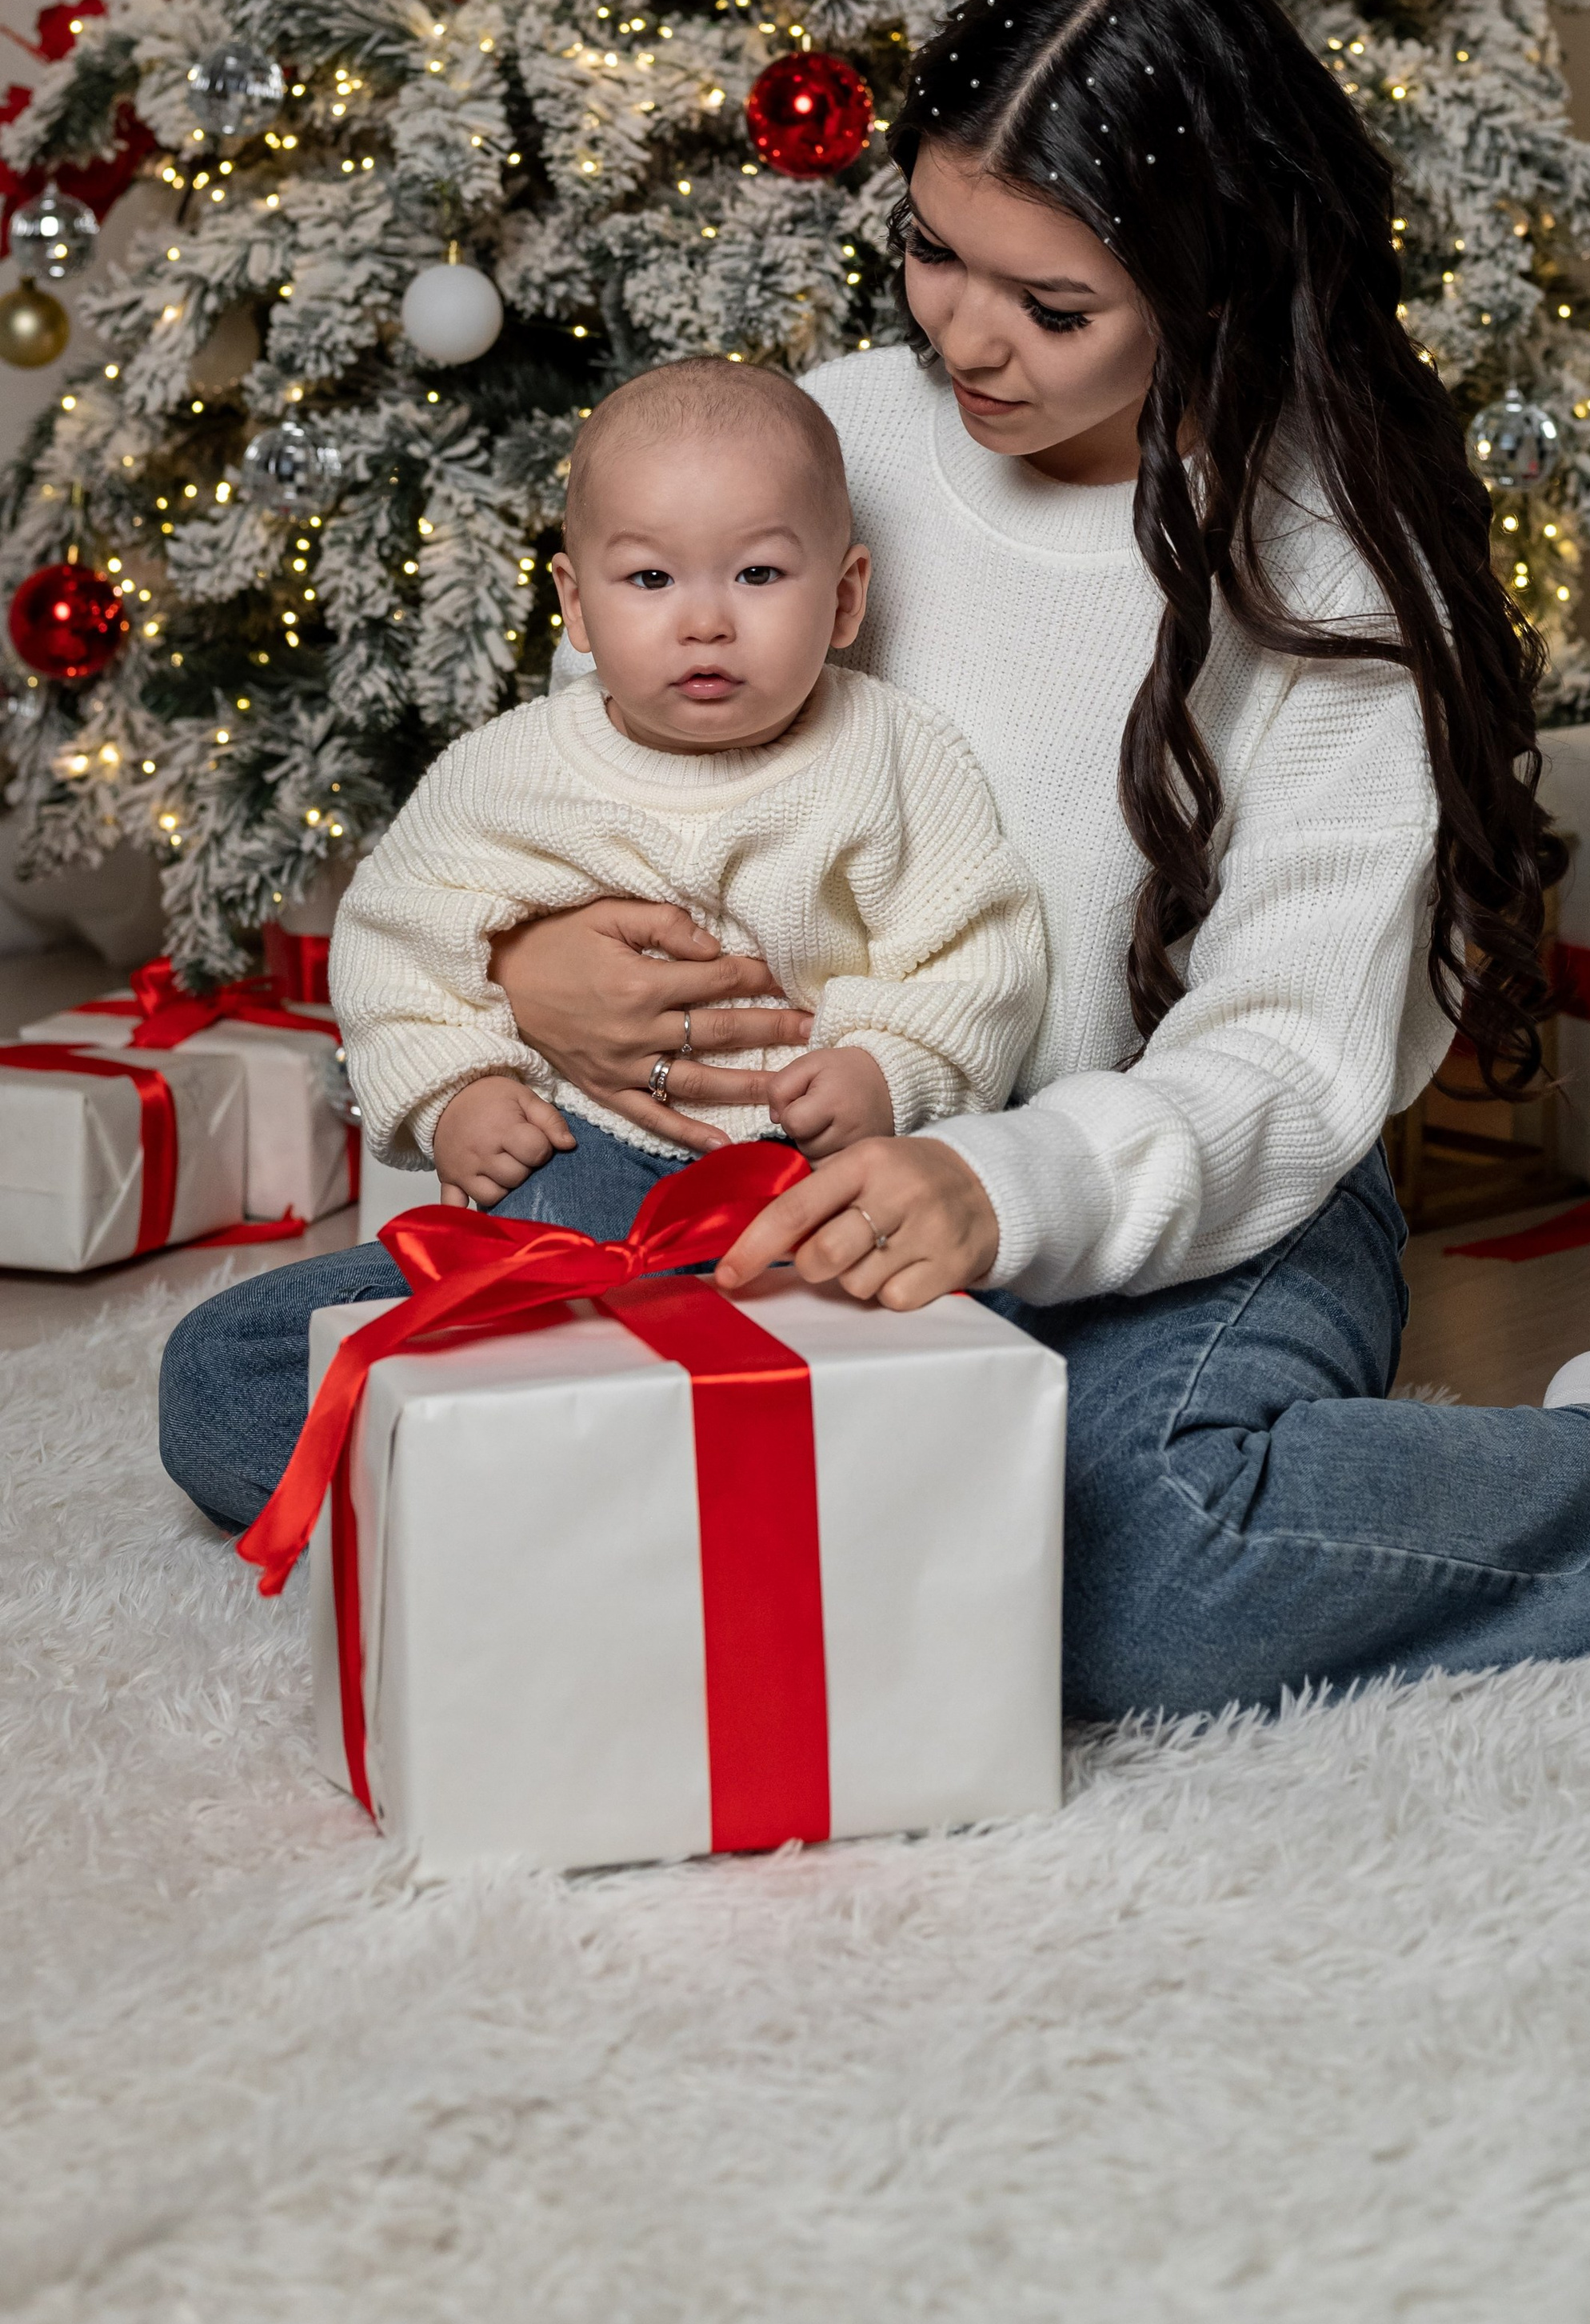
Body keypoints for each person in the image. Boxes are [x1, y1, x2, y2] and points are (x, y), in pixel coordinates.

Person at [160, 0, 1590, 1711]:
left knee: (1137, 1566)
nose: (966, 340)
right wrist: (537, 960)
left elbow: (1286, 1067)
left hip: (1190, 1201)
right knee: (251, 1384)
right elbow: (606, 745)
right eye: (932, 252)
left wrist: (995, 1188)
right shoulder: (827, 429)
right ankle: (864, 1532)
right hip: (767, 1178)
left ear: (1208, 288)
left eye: (1051, 306)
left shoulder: (1332, 574)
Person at [157, 357, 1045, 1522]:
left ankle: (585, 1487)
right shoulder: (509, 774)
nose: (707, 618)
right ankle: (644, 1477)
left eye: (761, 572)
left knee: (1002, 1348)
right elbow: (393, 940)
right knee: (217, 1379)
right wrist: (456, 1089)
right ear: (575, 604)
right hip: (573, 1189)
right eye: (651, 577)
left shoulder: (892, 759)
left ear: (845, 596)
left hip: (798, 1205)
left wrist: (891, 1067)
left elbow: (978, 953)